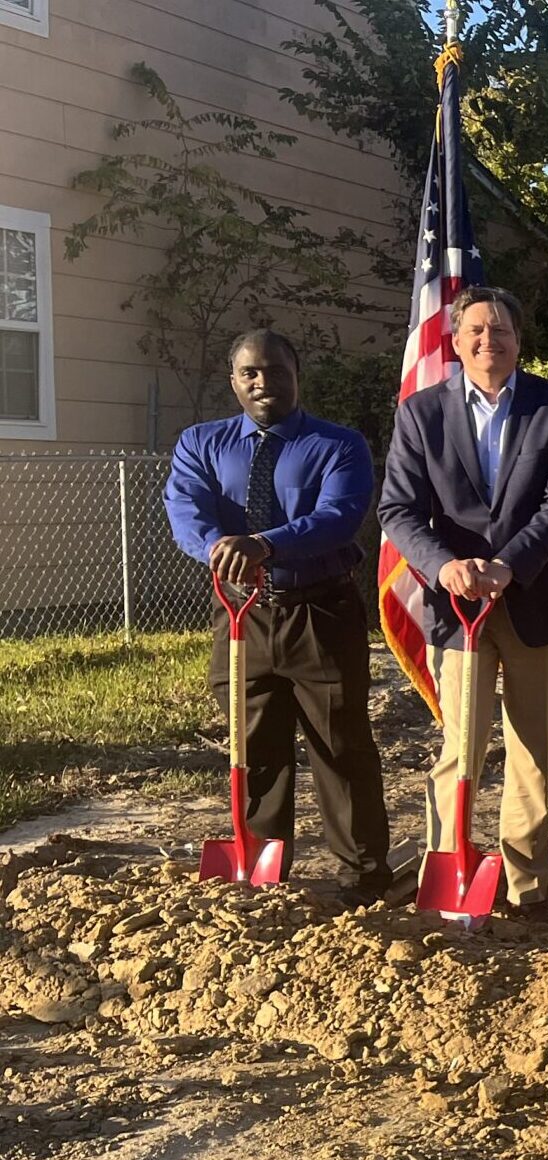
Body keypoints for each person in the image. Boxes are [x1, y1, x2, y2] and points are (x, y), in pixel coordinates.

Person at [379, 286, 548, 919]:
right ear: (455, 339)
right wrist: (445, 568)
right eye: (475, 329)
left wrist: (508, 565)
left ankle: (526, 883)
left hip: (534, 600)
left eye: (500, 330)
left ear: (519, 341)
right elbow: (399, 509)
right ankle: (451, 873)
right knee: (459, 750)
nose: (487, 340)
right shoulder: (421, 414)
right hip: (458, 610)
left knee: (530, 753)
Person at [163, 329, 391, 907]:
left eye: (275, 370)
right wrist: (223, 547)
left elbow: (339, 515)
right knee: (253, 744)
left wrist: (264, 542)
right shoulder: (201, 443)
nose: (263, 382)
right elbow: (186, 510)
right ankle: (263, 866)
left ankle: (363, 874)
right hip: (242, 615)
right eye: (250, 373)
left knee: (339, 744)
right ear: (234, 380)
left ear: (297, 374)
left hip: (320, 611)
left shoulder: (337, 445)